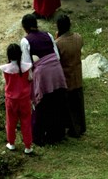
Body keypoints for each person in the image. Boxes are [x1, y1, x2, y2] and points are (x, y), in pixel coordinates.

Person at [20, 14, 67, 146]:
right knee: (57, 102)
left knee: (42, 105)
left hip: (42, 75)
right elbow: (56, 56)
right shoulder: (48, 35)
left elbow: (27, 64)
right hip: (57, 72)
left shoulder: (25, 41)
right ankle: (57, 134)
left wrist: (30, 81)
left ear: (25, 28)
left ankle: (39, 138)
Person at [55, 14, 86, 137]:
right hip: (77, 75)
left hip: (66, 78)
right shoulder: (78, 37)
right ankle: (81, 127)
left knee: (69, 107)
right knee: (78, 104)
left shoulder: (58, 43)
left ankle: (73, 130)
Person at [0, 43, 33, 154]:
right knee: (26, 122)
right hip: (24, 99)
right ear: (20, 54)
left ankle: (11, 143)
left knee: (11, 121)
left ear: (8, 55)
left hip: (11, 100)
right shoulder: (25, 67)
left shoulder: (6, 69)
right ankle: (28, 146)